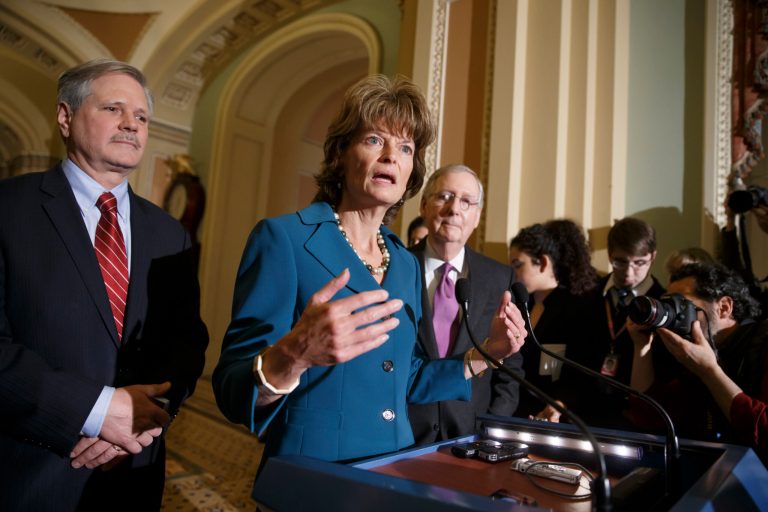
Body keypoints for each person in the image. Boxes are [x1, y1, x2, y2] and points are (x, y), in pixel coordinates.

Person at [212, 76, 526, 476]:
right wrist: (295, 354)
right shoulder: (284, 240)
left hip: (392, 469)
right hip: (310, 475)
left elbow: (406, 379)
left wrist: (487, 354)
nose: (391, 156)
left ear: (412, 172)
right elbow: (231, 389)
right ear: (341, 152)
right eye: (375, 140)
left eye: (406, 148)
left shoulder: (404, 263)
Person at [0, 59, 209, 511]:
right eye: (114, 109)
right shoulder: (8, 209)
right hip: (33, 473)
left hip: (134, 474)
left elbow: (187, 343)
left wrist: (149, 417)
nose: (131, 124)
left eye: (141, 117)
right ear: (65, 117)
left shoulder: (170, 233)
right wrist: (95, 412)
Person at [408, 164, 524, 445]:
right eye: (444, 196)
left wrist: (491, 425)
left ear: (477, 216)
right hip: (403, 433)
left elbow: (512, 368)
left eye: (466, 201)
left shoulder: (499, 277)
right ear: (424, 206)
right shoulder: (397, 267)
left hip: (471, 435)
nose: (454, 209)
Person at [627, 262, 767, 464]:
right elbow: (649, 416)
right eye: (668, 303)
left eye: (681, 303)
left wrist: (710, 371)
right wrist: (641, 347)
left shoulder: (762, 345)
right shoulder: (706, 350)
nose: (672, 313)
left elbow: (764, 431)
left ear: (724, 308)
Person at [565, 217, 667, 429]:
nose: (628, 273)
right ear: (610, 255)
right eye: (620, 262)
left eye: (639, 263)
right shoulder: (588, 295)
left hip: (636, 419)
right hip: (586, 415)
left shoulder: (663, 303)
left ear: (653, 257)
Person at [508, 219, 599, 422]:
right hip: (516, 412)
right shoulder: (521, 304)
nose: (511, 274)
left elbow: (584, 370)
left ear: (544, 262)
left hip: (558, 417)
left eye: (518, 265)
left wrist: (561, 403)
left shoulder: (576, 306)